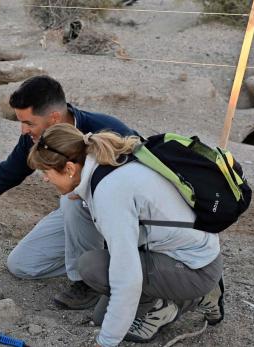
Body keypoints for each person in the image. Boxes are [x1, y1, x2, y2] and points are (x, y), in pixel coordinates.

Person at [0, 75, 136, 309]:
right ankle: (100, 261)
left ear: (54, 117)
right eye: (20, 121)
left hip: (122, 219)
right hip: (80, 220)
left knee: (71, 201)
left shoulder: (106, 130)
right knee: (22, 265)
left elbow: (141, 187)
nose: (23, 130)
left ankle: (86, 282)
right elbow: (7, 173)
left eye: (29, 123)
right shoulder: (36, 138)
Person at [26, 123, 224, 346]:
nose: (44, 178)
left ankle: (191, 299)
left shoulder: (109, 194)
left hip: (196, 268)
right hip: (184, 250)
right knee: (103, 315)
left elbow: (127, 279)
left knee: (93, 268)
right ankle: (163, 297)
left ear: (71, 168)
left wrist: (105, 342)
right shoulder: (107, 163)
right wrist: (80, 193)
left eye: (46, 172)